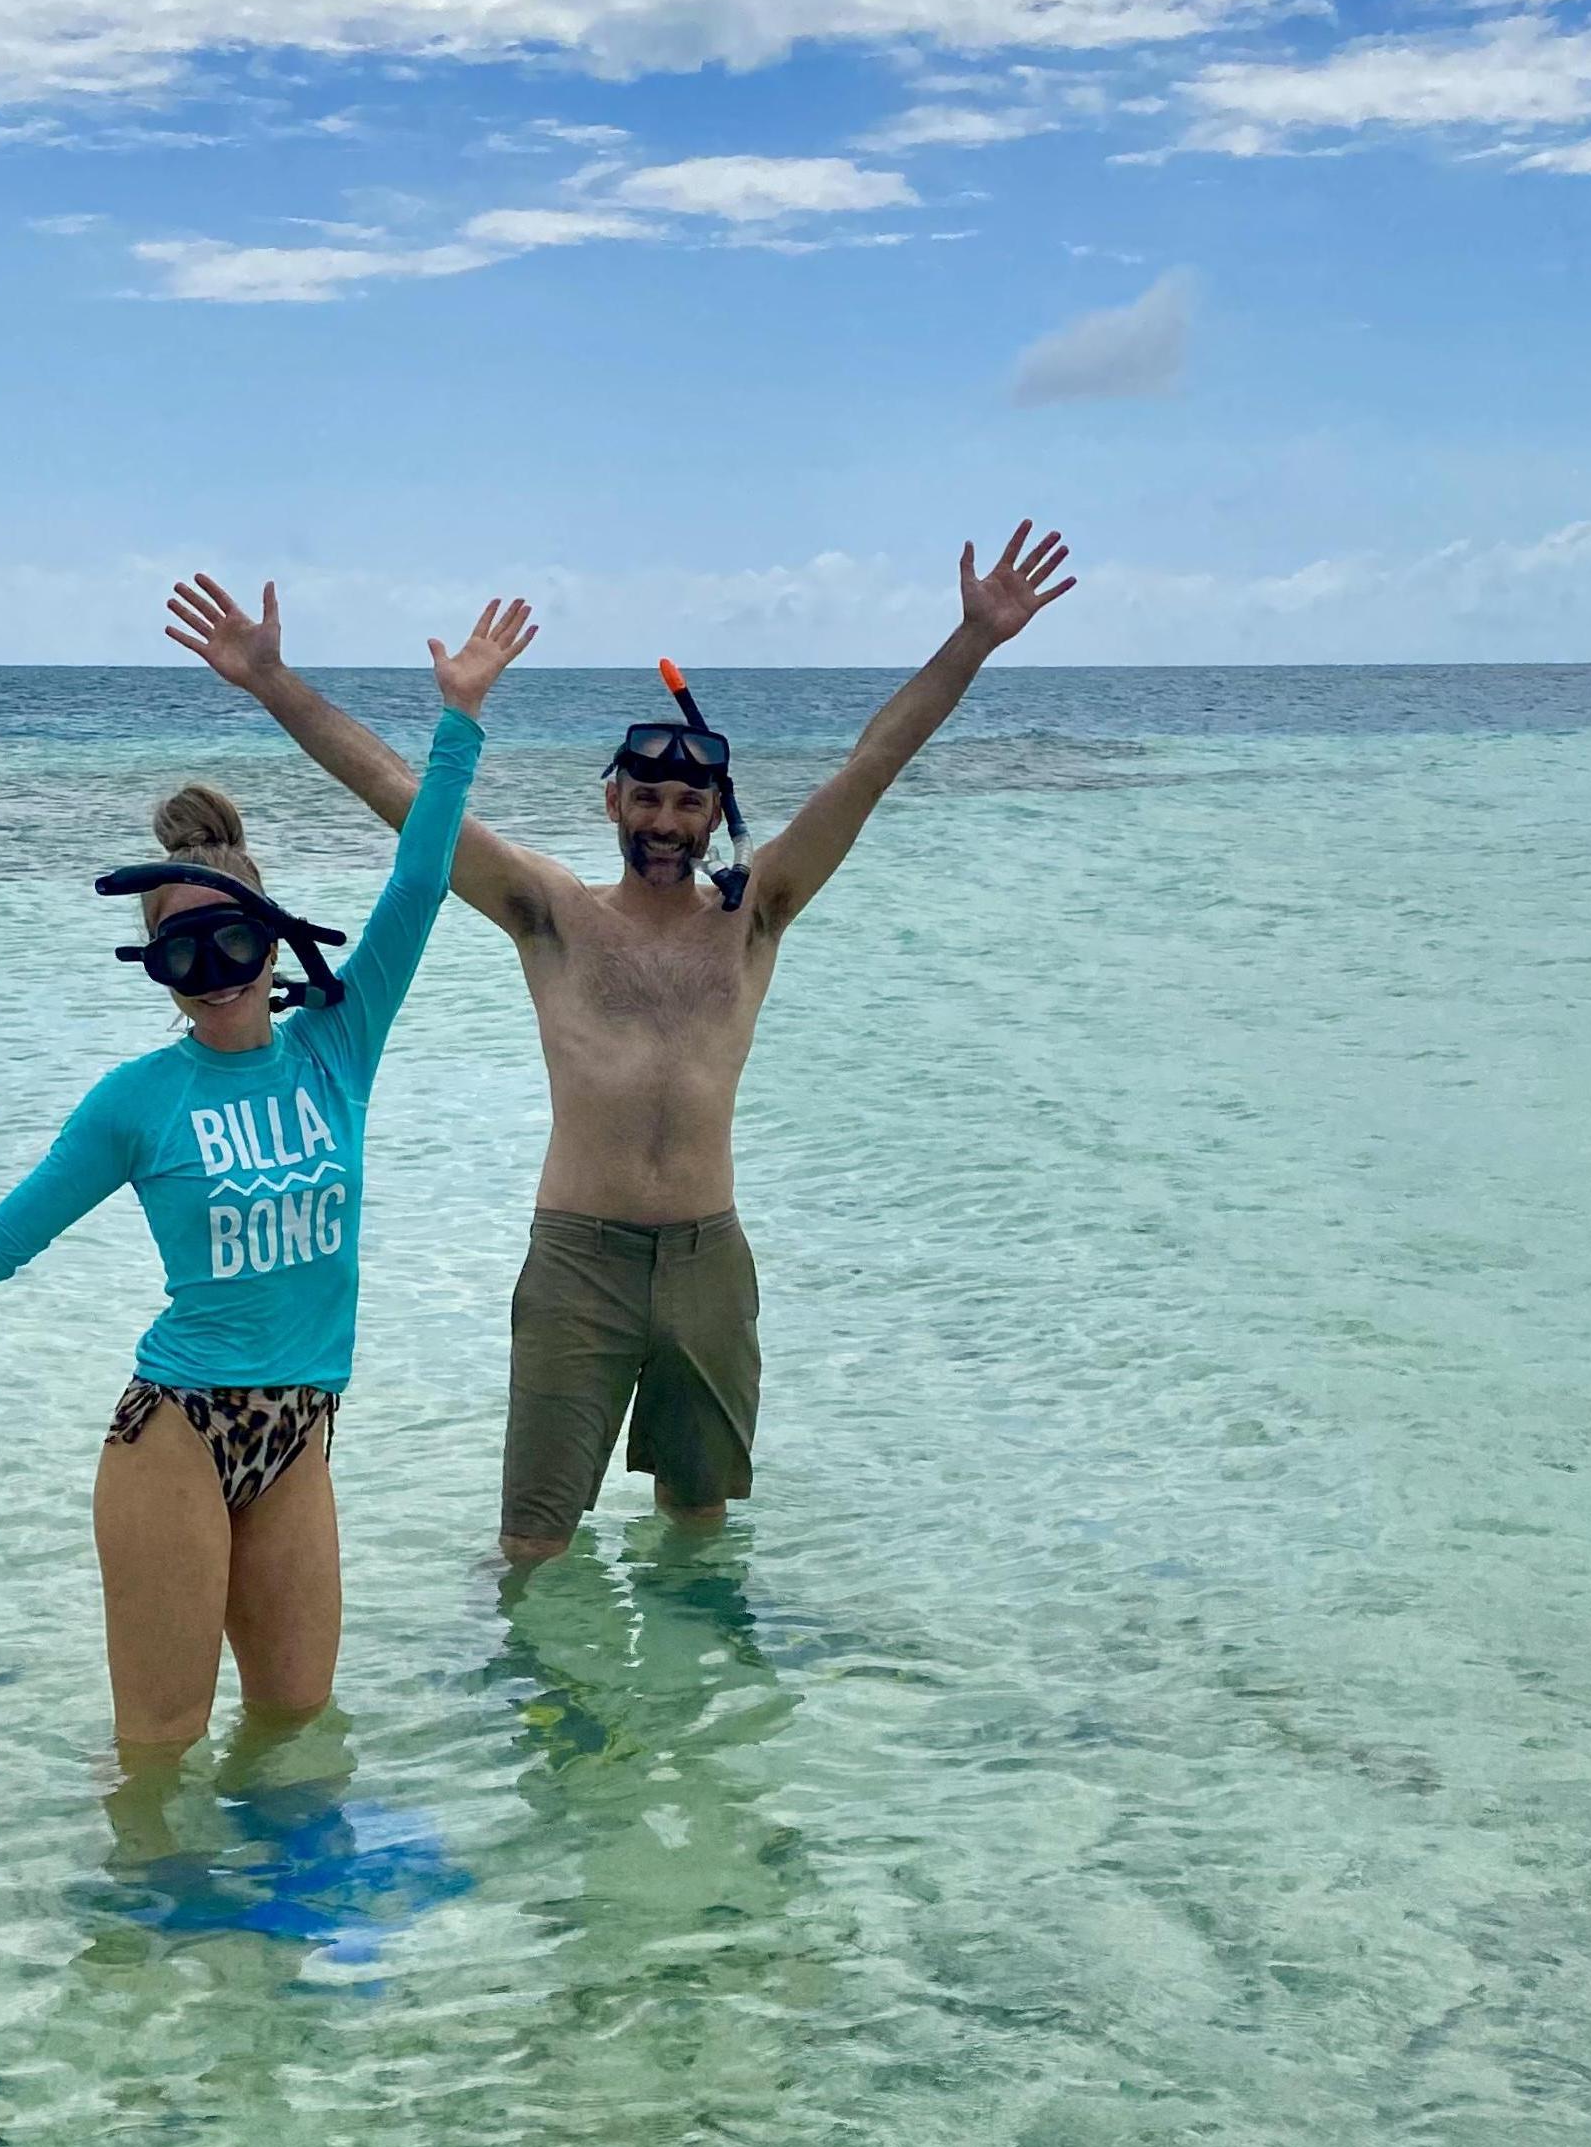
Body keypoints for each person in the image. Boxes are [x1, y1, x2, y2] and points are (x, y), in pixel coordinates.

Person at [164, 522, 1077, 1564]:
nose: (665, 820)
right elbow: (404, 805)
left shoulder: (757, 911)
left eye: (690, 803)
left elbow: (871, 763)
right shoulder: (552, 913)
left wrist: (972, 640)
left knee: (699, 1533)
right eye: (645, 797)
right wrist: (274, 683)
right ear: (611, 799)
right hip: (576, 1262)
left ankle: (685, 1717)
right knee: (533, 1544)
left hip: (709, 1261)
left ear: (713, 815)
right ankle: (546, 1715)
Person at [0, 597, 538, 1751]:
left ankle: (267, 1931)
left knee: (297, 1723)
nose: (210, 974)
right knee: (163, 1739)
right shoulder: (136, 1103)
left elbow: (419, 880)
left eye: (229, 943)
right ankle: (144, 1926)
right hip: (176, 1430)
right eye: (179, 952)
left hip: (302, 1427)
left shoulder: (335, 1045)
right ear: (154, 961)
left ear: (272, 939)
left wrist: (459, 717)